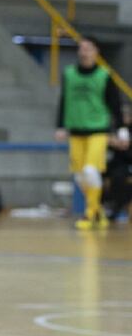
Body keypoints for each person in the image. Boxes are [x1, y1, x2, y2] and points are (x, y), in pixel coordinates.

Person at [54, 36, 128, 229]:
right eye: (82, 48)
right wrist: (60, 125)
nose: (84, 51)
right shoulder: (69, 74)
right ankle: (98, 210)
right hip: (76, 130)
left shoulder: (104, 75)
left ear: (96, 52)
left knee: (90, 170)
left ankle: (89, 213)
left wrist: (120, 129)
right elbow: (64, 100)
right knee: (80, 176)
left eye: (88, 48)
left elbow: (115, 104)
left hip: (97, 130)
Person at [104, 103, 132, 222]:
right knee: (98, 174)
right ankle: (103, 206)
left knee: (119, 177)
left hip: (128, 163)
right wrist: (110, 142)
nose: (124, 118)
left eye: (127, 115)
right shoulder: (114, 129)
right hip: (117, 163)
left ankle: (118, 206)